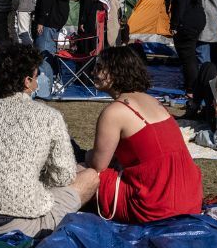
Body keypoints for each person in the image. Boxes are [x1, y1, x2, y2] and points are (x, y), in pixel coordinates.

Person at [0, 45, 99, 238]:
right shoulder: (48, 116)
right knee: (90, 176)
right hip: (19, 227)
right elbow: (62, 176)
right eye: (37, 76)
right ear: (27, 81)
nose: (38, 83)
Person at [86, 46, 203, 223]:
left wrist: (86, 156)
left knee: (81, 173)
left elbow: (98, 166)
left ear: (116, 72)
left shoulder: (115, 111)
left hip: (154, 204)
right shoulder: (153, 101)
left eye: (99, 67)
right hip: (189, 199)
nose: (93, 72)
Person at [166, 0, 206, 100]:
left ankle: (192, 89)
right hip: (198, 18)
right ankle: (193, 85)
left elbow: (181, 3)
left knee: (187, 56)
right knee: (191, 54)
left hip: (187, 20)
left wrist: (174, 25)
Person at [31, 0, 70, 99]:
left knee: (44, 53)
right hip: (55, 18)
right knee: (50, 52)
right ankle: (53, 84)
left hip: (49, 19)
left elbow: (47, 0)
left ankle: (44, 90)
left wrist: (41, 20)